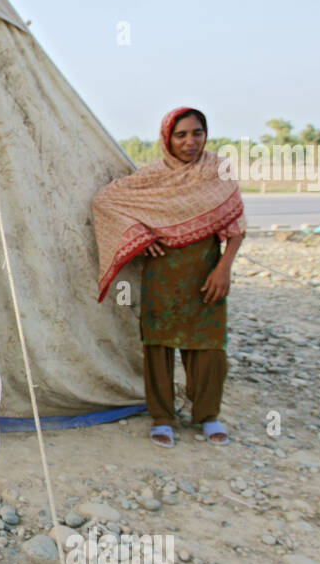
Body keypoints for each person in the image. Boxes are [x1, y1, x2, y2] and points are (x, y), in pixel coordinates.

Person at [92, 106, 246, 448]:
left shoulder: (218, 172)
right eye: (181, 135)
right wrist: (140, 237)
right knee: (158, 346)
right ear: (167, 138)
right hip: (162, 274)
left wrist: (224, 268)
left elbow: (236, 227)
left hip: (206, 270)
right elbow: (106, 201)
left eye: (197, 133)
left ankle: (207, 415)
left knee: (209, 347)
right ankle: (162, 417)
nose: (190, 142)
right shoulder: (152, 177)